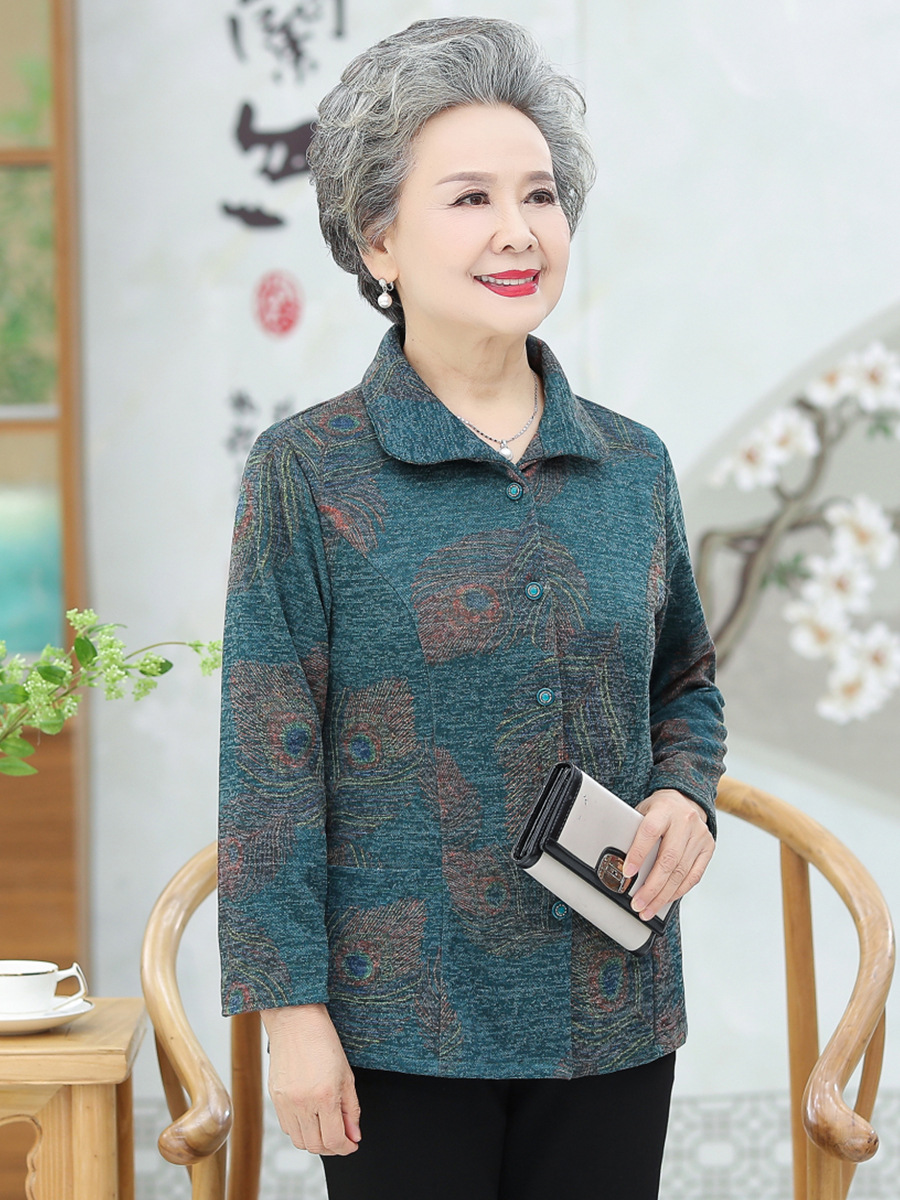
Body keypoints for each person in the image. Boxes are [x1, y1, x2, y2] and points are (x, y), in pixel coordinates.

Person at [218, 16, 726, 1200]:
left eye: (540, 195)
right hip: (397, 1028)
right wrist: (292, 1017)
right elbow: (267, 760)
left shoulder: (632, 465)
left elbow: (685, 682)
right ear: (377, 239)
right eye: (470, 199)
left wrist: (684, 794)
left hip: (613, 1007)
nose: (518, 230)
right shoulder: (308, 472)